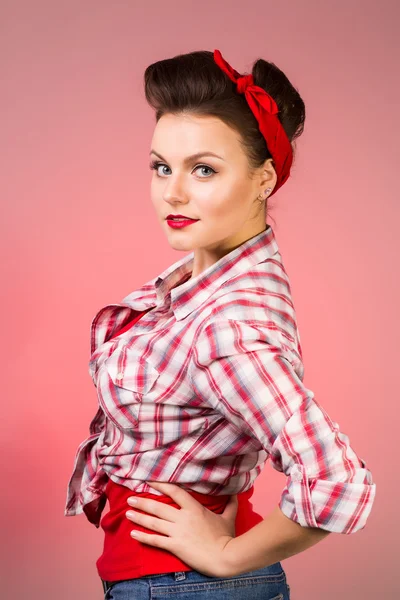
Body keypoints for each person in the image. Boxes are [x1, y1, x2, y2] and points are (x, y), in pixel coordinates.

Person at [65, 49, 376, 599]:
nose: (173, 192)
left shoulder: (230, 324)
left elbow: (336, 480)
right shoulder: (203, 278)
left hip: (183, 586)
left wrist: (228, 553)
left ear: (263, 179)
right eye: (162, 166)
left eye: (203, 169)